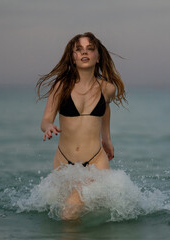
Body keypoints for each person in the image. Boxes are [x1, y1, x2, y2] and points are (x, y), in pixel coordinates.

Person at [36, 32, 126, 220]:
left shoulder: (107, 88)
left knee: (69, 213)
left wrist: (107, 140)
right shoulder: (61, 86)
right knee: (66, 212)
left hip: (96, 162)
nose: (84, 53)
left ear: (98, 56)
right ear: (73, 58)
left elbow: (105, 111)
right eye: (79, 50)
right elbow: (45, 120)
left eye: (90, 49)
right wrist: (49, 127)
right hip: (64, 163)